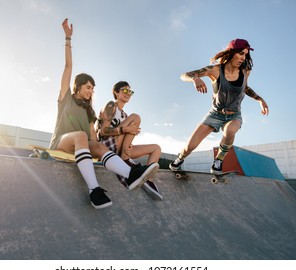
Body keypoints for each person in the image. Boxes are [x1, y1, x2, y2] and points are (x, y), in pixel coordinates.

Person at [50, 18, 159, 209]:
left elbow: (93, 139)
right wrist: (68, 39)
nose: (91, 91)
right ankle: (95, 190)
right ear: (78, 87)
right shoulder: (65, 98)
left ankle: (130, 175)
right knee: (81, 136)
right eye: (88, 87)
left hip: (80, 147)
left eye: (93, 88)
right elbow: (68, 67)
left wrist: (113, 144)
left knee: (98, 146)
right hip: (61, 143)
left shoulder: (89, 112)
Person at [170, 38, 269, 174]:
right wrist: (195, 78)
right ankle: (179, 160)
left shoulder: (246, 71)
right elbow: (184, 75)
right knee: (189, 146)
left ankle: (218, 161)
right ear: (231, 53)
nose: (243, 58)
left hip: (234, 115)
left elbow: (244, 87)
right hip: (215, 114)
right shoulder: (215, 70)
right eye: (240, 53)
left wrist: (259, 99)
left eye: (245, 54)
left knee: (230, 131)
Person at [96, 81, 163, 200]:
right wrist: (126, 129)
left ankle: (147, 181)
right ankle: (126, 160)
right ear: (116, 92)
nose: (128, 93)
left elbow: (124, 137)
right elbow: (103, 131)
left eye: (130, 91)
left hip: (120, 149)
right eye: (125, 90)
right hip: (106, 146)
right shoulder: (111, 106)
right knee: (136, 117)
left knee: (156, 148)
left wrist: (129, 145)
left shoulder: (125, 116)